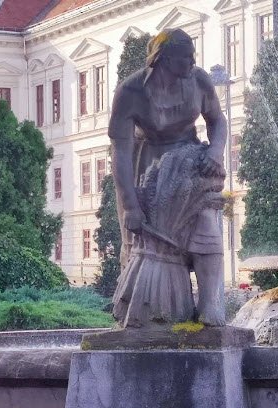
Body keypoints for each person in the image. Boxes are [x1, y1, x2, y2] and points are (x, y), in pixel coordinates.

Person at [108, 28, 228, 326]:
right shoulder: (130, 91)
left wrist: (215, 151)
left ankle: (210, 305)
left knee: (205, 226)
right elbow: (120, 153)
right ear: (163, 59)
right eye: (185, 57)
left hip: (190, 162)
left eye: (193, 56)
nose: (192, 62)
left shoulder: (199, 80)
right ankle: (144, 307)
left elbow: (218, 121)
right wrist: (130, 204)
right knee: (141, 240)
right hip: (145, 166)